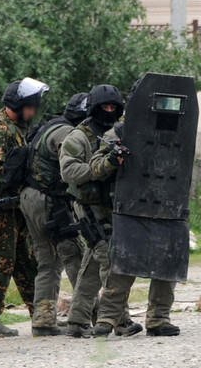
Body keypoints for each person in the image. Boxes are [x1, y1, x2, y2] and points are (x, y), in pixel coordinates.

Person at [59, 84, 142, 338]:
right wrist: (101, 167)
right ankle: (120, 320)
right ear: (94, 108)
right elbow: (68, 172)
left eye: (113, 107)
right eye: (104, 107)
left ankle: (77, 320)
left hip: (111, 206)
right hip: (87, 206)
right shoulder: (78, 137)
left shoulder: (116, 133)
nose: (109, 111)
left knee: (93, 264)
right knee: (109, 259)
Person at [89, 122, 182, 337]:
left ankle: (158, 319)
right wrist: (113, 159)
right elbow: (95, 166)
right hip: (131, 205)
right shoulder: (121, 131)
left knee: (167, 265)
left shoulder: (176, 128)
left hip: (167, 205)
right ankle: (107, 319)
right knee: (122, 266)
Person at [0, 78, 48, 338]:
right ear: (16, 105)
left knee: (26, 263)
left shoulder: (19, 129)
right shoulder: (0, 130)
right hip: (0, 209)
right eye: (30, 107)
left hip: (15, 208)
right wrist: (18, 184)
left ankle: (41, 316)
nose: (33, 112)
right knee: (1, 261)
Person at [20, 93, 89, 337]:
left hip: (30, 198)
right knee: (74, 255)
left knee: (47, 261)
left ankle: (44, 319)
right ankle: (86, 316)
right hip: (49, 201)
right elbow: (72, 167)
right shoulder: (66, 134)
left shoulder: (51, 126)